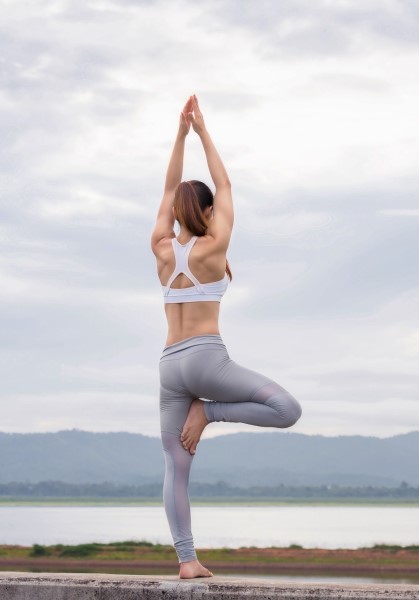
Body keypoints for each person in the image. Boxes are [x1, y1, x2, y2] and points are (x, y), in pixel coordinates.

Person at [150, 94, 303, 579]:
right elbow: (225, 182)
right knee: (286, 409)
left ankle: (186, 561)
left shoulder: (160, 247)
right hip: (206, 361)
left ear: (176, 213)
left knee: (177, 465)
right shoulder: (214, 247)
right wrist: (202, 131)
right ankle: (210, 412)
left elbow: (171, 185)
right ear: (211, 211)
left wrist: (178, 135)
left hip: (169, 364)